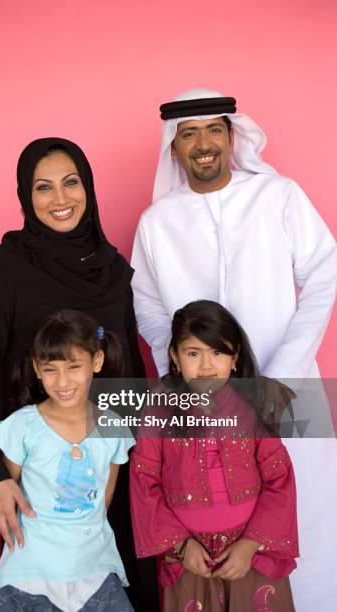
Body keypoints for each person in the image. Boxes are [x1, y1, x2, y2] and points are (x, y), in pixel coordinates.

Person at [131, 89, 337, 610]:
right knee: (202, 514)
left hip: (287, 393)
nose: (203, 144)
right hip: (197, 402)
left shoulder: (280, 196)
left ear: (232, 137)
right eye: (188, 134)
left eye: (213, 130)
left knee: (300, 505)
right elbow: (149, 308)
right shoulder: (157, 222)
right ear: (173, 149)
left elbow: (324, 275)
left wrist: (281, 376)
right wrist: (179, 382)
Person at [0, 137, 158, 611]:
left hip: (109, 465)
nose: (61, 199)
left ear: (88, 187)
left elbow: (127, 371)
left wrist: (133, 470)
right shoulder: (5, 269)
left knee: (115, 588)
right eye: (43, 188)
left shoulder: (113, 270)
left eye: (71, 183)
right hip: (36, 481)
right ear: (26, 198)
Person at [130, 300, 298, 612]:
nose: (206, 366)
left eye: (217, 353)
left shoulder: (255, 408)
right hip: (189, 560)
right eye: (194, 353)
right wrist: (181, 546)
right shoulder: (159, 413)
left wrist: (249, 545)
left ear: (234, 357)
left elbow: (279, 480)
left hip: (250, 558)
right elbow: (144, 484)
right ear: (175, 357)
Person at [0, 309, 135, 611]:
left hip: (94, 569)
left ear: (97, 361)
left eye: (74, 366)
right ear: (37, 369)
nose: (62, 381)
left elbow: (101, 505)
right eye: (50, 369)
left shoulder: (113, 428)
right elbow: (4, 500)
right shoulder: (23, 427)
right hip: (30, 572)